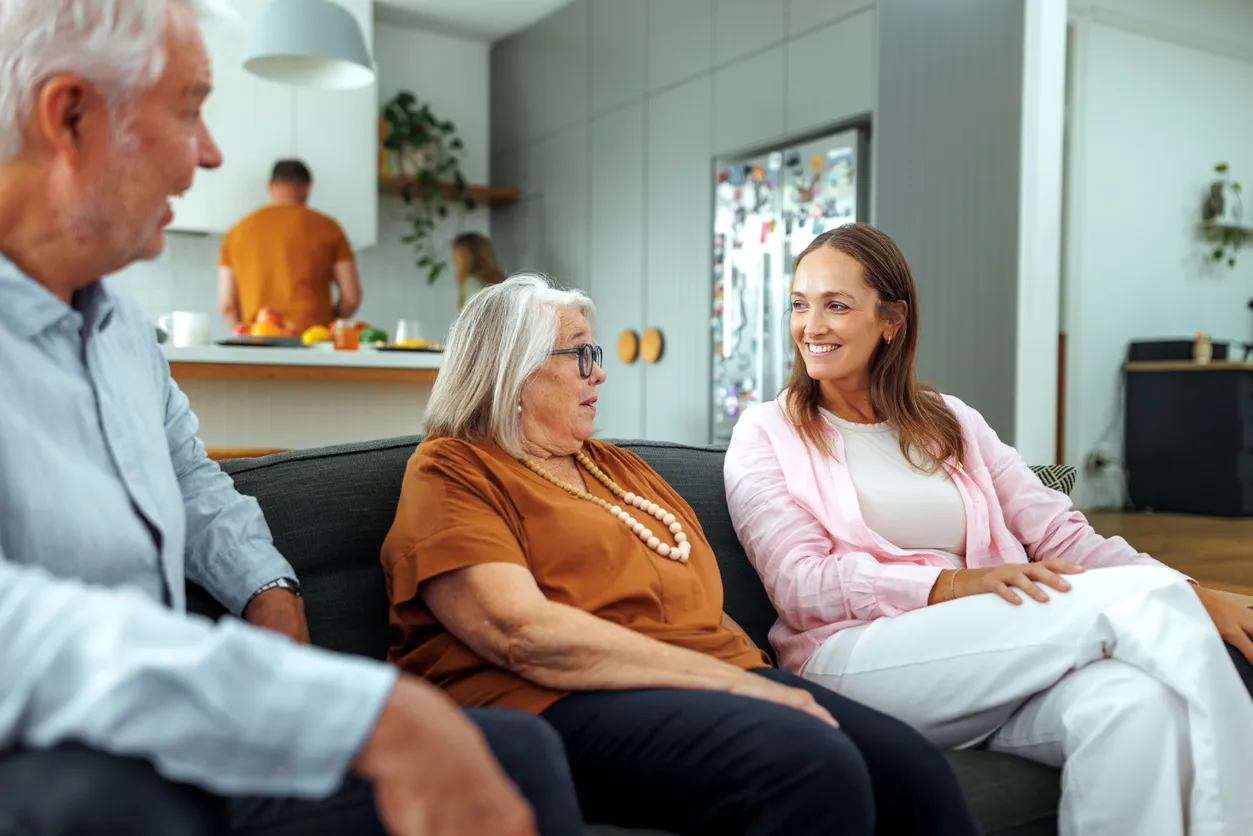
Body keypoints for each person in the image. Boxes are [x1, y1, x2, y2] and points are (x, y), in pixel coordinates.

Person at [0, 2, 585, 834]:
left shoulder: (125, 327)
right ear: (71, 115)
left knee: (511, 755)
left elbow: (195, 478)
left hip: (173, 738)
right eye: (191, 108)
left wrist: (269, 587)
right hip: (48, 756)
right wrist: (359, 714)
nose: (209, 152)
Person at [380, 273, 983, 836]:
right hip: (557, 697)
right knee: (807, 762)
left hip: (702, 678)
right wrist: (734, 684)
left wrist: (755, 676)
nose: (600, 374)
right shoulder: (455, 469)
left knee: (910, 769)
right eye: (582, 355)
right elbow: (519, 632)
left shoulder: (618, 467)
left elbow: (705, 609)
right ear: (513, 371)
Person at [723, 222, 1253, 836]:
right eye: (799, 304)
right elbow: (800, 584)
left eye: (836, 305)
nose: (811, 326)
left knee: (1136, 708)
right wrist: (957, 584)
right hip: (853, 657)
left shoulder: (951, 421)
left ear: (891, 320)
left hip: (987, 655)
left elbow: (1063, 535)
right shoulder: (766, 431)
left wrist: (1190, 585)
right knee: (1155, 607)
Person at [218, 159, 362, 333]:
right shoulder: (329, 228)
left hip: (256, 339)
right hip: (310, 339)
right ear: (308, 187)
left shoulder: (236, 233)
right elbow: (351, 298)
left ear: (270, 186)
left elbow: (226, 305)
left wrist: (242, 332)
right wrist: (330, 326)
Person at [451, 231, 504, 309]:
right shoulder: (501, 281)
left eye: (457, 260)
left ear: (467, 259)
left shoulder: (471, 282)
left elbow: (474, 316)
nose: (456, 266)